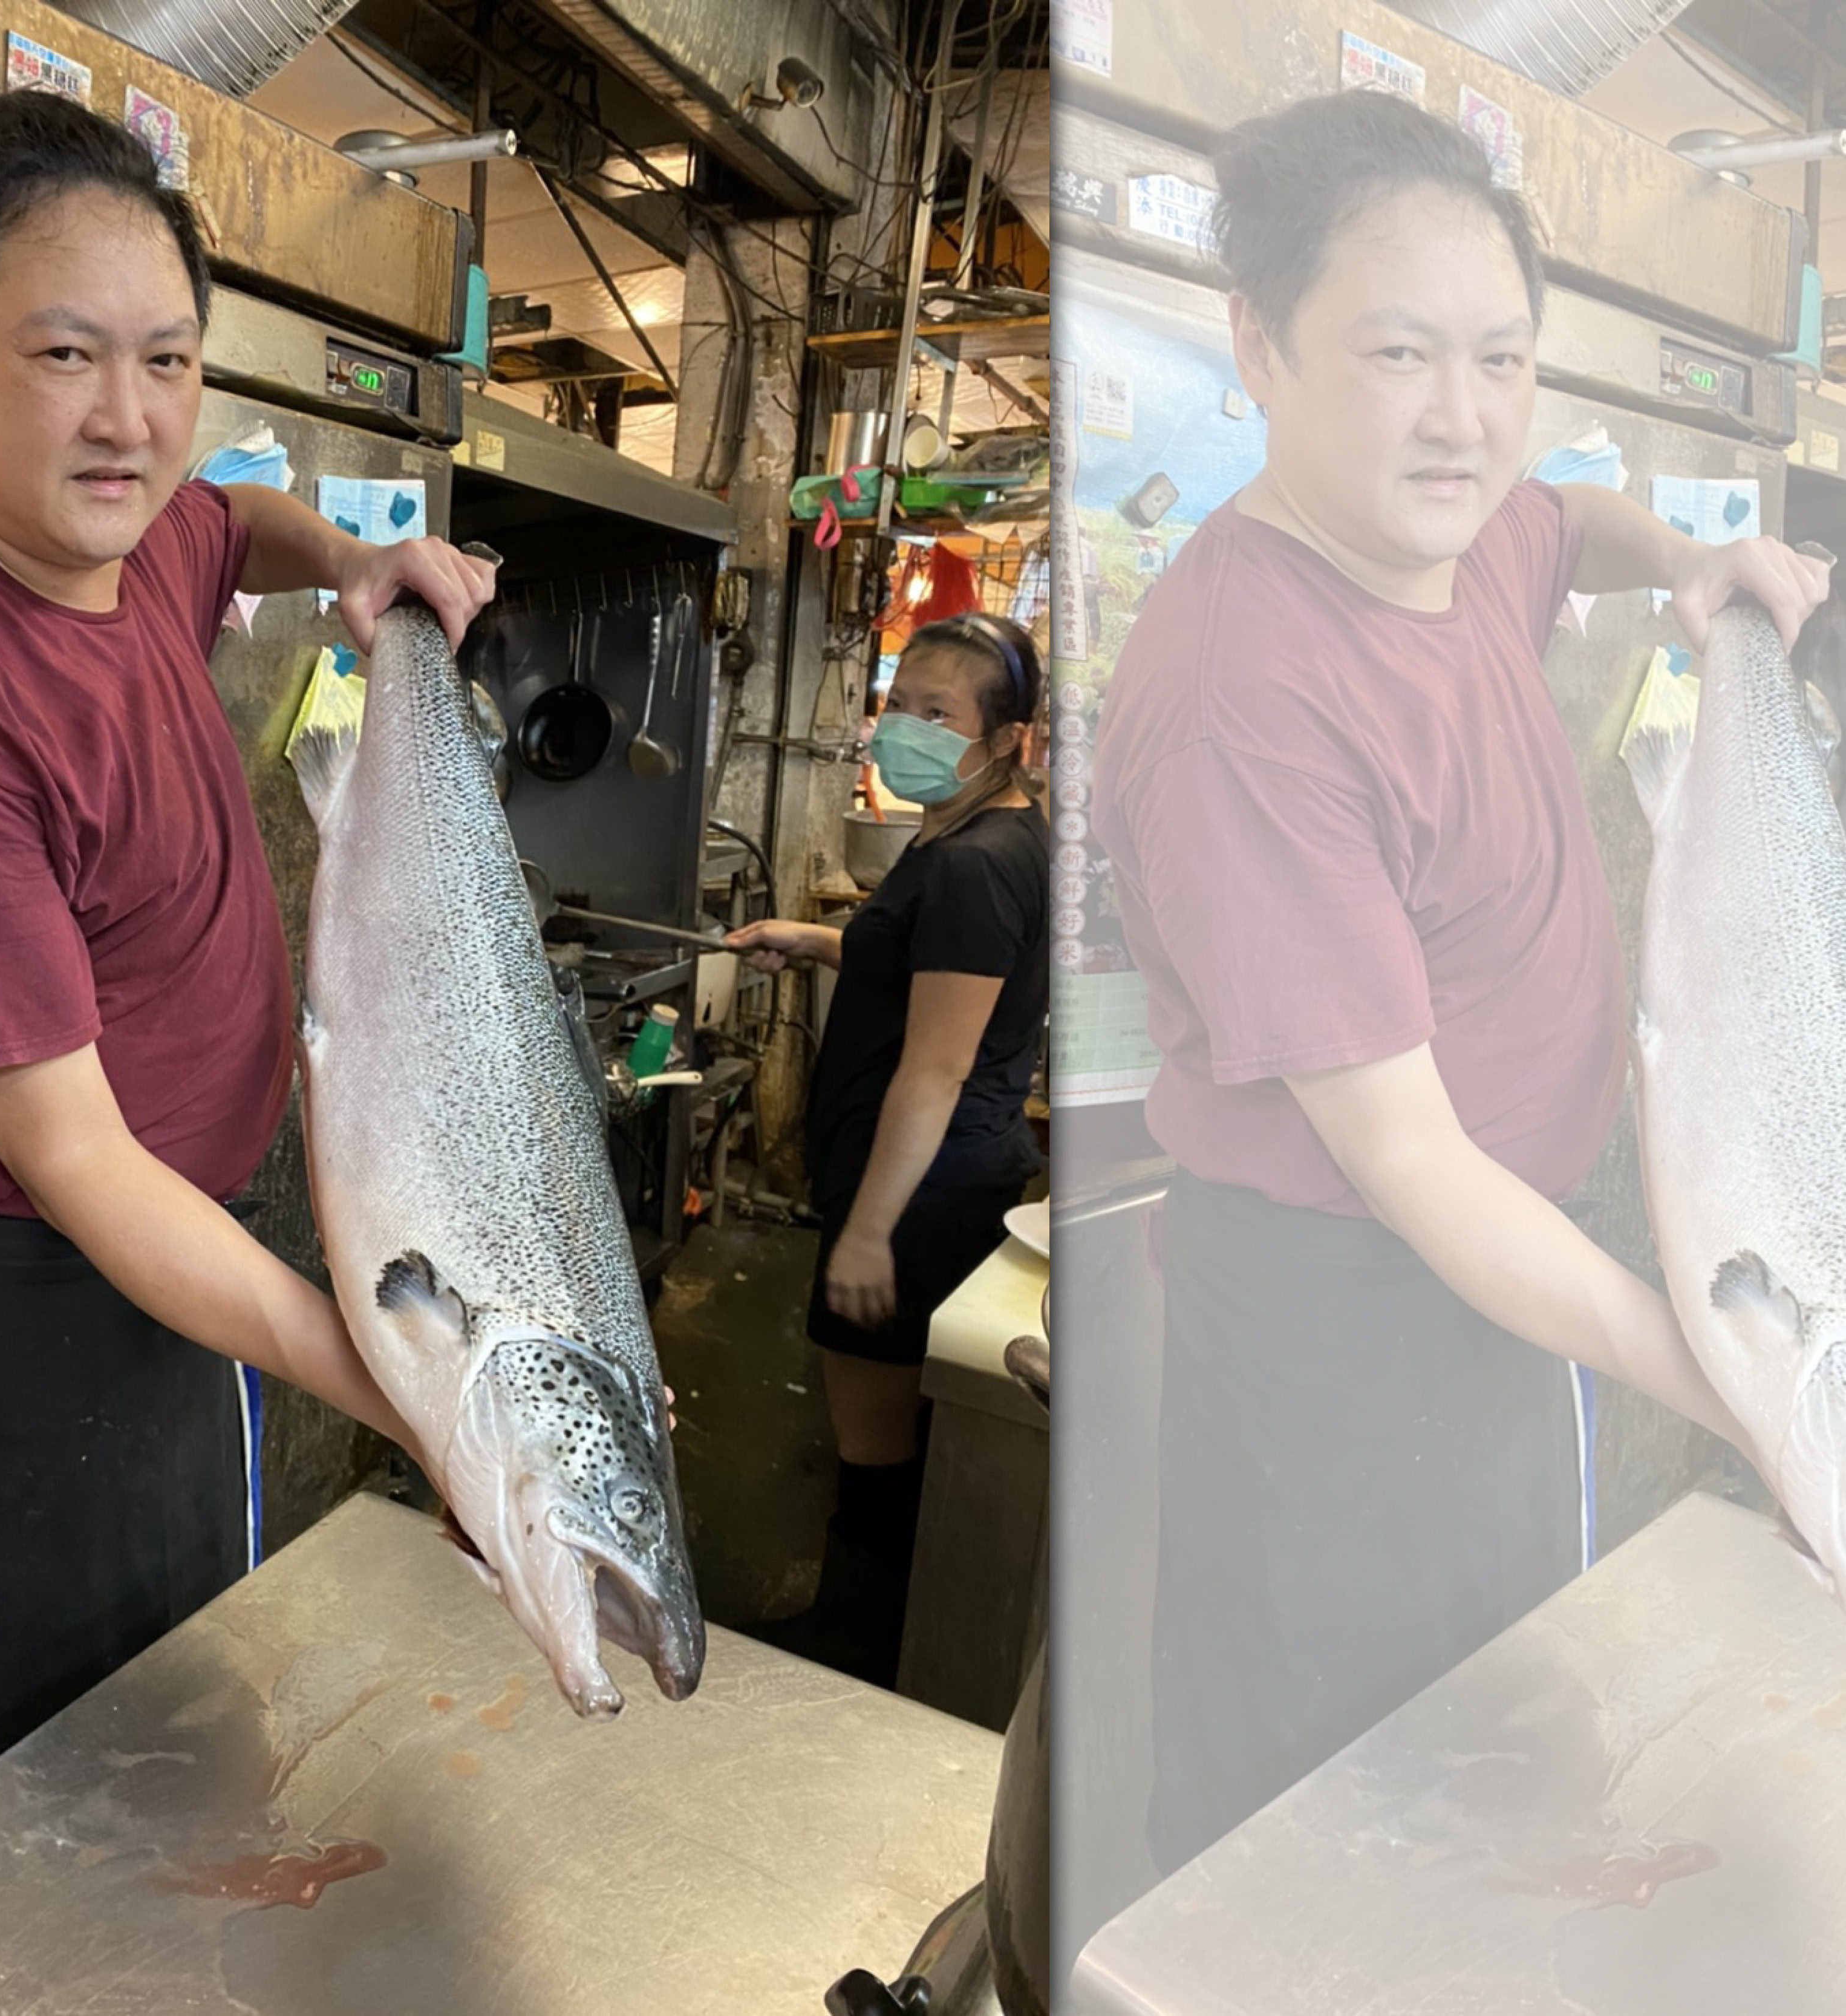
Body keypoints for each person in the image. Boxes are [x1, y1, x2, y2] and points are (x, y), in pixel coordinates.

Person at [0, 89, 499, 1877]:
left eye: (168, 358)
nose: (130, 417)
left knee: (170, 1724)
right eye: (66, 353)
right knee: (18, 1812)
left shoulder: (123, 527)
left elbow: (227, 517)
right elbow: (74, 1164)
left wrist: (360, 558)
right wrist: (405, 1388)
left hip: (183, 1263)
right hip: (17, 1315)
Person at [1088, 90, 1827, 1876]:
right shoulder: (1245, 692)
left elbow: (1564, 517)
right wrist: (1735, 1383)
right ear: (1258, 343)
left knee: (1507, 1718)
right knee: (1347, 1810)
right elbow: (1411, 1167)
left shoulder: (1457, 531)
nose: (1464, 414)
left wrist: (1698, 561)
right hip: (1356, 1332)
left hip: (1518, 1277)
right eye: (1401, 353)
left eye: (1501, 357)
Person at [727, 610, 1049, 1686]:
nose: (901, 729)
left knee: (878, 1452)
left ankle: (853, 1657)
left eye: (937, 713)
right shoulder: (964, 830)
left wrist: (867, 1232)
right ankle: (880, 1638)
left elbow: (936, 1065)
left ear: (1006, 737)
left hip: (916, 1192)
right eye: (896, 705)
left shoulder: (977, 863)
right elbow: (919, 964)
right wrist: (815, 941)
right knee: (894, 1434)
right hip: (931, 1176)